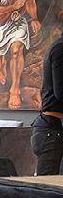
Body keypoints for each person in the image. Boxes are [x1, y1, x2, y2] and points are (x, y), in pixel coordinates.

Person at [31, 35, 63, 175]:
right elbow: (60, 92)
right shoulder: (60, 48)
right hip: (50, 131)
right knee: (46, 184)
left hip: (51, 129)